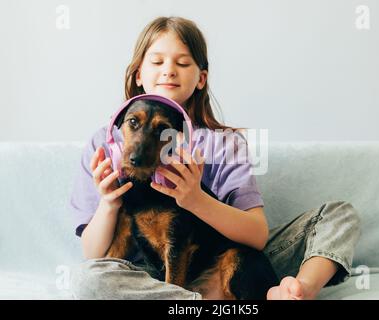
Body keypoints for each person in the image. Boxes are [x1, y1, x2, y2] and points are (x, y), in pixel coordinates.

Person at [69, 16, 361, 300]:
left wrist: (195, 200)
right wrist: (109, 204)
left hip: (228, 257)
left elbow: (257, 236)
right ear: (138, 75)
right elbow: (93, 254)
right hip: (144, 276)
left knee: (338, 214)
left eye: (182, 63)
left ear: (201, 78)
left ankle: (298, 291)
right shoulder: (103, 144)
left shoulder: (224, 144)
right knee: (87, 280)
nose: (169, 71)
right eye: (157, 62)